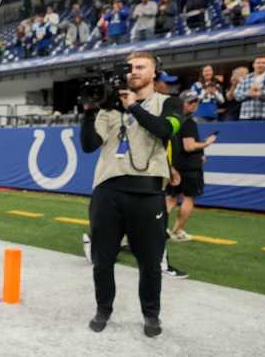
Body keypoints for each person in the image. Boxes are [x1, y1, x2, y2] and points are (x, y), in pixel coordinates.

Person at [79, 51, 182, 337]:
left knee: (149, 262)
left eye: (140, 67)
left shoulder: (170, 103)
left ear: (154, 72)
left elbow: (165, 130)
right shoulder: (109, 109)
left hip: (148, 193)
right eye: (130, 67)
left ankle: (151, 315)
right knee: (103, 259)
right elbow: (89, 145)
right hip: (108, 190)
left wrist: (134, 107)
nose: (134, 71)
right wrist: (88, 112)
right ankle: (103, 309)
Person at [166, 91, 217, 241]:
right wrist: (207, 143)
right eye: (190, 102)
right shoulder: (188, 122)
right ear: (182, 103)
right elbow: (189, 146)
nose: (194, 104)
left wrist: (199, 153)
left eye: (196, 101)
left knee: (171, 198)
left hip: (175, 166)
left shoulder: (172, 120)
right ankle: (177, 231)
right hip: (189, 167)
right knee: (188, 198)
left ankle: (158, 228)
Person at [233, 56, 265, 120]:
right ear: (253, 65)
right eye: (258, 63)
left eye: (263, 63)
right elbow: (237, 96)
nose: (260, 65)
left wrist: (261, 95)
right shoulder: (245, 78)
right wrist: (249, 94)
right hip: (246, 116)